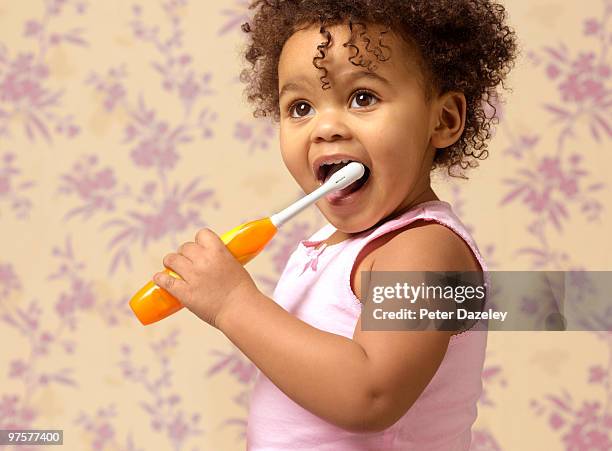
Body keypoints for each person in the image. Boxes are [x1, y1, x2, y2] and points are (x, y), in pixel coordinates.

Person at [152, 0, 518, 449]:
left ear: (443, 120)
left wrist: (233, 303)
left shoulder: (423, 249)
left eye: (363, 97)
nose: (325, 127)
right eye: (301, 106)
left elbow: (371, 394)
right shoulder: (329, 243)